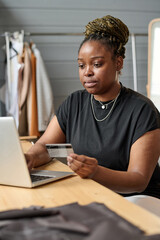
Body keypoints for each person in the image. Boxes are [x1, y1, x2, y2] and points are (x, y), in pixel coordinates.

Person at [26, 15, 160, 198]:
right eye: (81, 65)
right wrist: (29, 158)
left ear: (118, 62)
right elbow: (46, 147)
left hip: (137, 201)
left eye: (97, 64)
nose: (87, 72)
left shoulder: (142, 111)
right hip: (91, 194)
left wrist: (95, 172)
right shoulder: (74, 103)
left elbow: (138, 180)